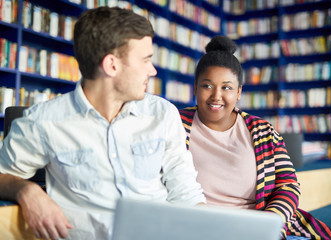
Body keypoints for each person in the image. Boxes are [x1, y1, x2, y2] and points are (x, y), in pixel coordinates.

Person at [0, 7, 205, 240]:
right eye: (145, 60)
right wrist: (26, 190)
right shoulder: (43, 122)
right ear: (111, 65)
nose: (153, 70)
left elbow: (185, 191)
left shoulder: (162, 114)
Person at [179, 35, 331, 240]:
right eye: (207, 85)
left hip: (256, 228)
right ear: (195, 87)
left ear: (239, 92)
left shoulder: (263, 131)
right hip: (197, 228)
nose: (216, 96)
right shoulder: (175, 124)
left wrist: (268, 224)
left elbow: (288, 185)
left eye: (227, 87)